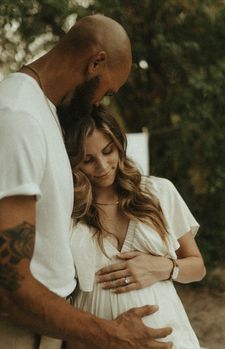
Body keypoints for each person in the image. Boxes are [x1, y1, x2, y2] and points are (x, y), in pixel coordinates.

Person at [0, 14, 173, 349]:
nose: (101, 102)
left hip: (48, 326)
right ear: (97, 62)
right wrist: (114, 334)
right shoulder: (18, 117)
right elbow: (8, 284)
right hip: (18, 332)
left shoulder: (43, 111)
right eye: (108, 90)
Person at [61, 105, 206, 349]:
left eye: (108, 151)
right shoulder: (67, 210)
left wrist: (165, 267)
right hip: (95, 339)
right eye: (88, 160)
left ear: (119, 144)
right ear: (73, 162)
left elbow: (198, 267)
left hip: (168, 337)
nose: (103, 166)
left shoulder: (159, 192)